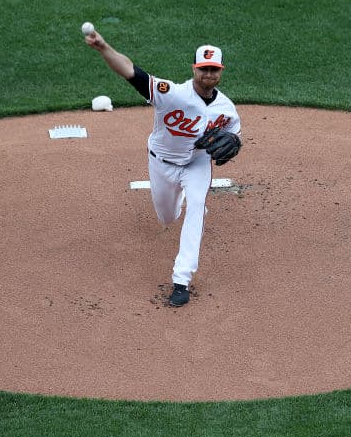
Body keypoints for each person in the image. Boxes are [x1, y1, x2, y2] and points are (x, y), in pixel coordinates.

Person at [84, 29, 242, 307]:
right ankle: (181, 203)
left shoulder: (226, 109)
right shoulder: (171, 94)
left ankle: (181, 280)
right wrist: (103, 47)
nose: (208, 75)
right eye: (203, 69)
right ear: (194, 69)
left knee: (196, 205)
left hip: (196, 163)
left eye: (214, 70)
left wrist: (235, 143)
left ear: (221, 72)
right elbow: (131, 72)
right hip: (161, 162)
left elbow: (233, 136)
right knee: (167, 218)